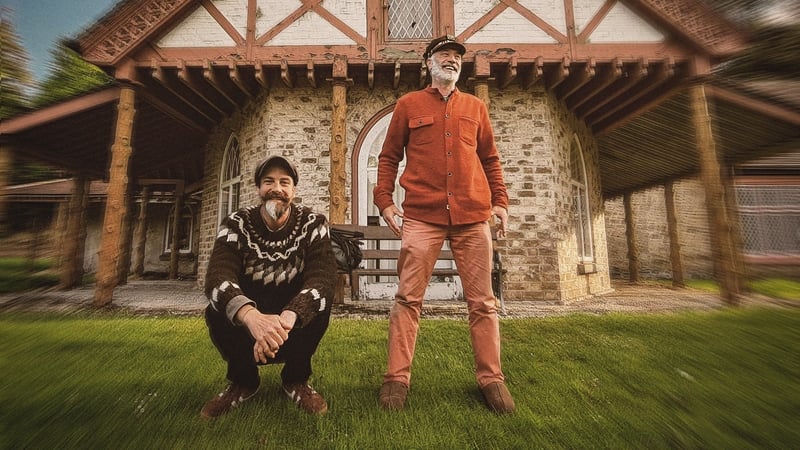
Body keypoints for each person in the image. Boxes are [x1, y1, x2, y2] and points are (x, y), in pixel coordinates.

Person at [373, 35, 515, 414]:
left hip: (473, 218)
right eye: (444, 55)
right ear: (428, 63)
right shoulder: (408, 105)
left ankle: (491, 379)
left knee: (483, 303)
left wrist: (500, 202)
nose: (451, 60)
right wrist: (385, 202)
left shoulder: (476, 107)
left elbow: (491, 160)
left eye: (456, 57)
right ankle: (396, 379)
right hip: (421, 217)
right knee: (407, 299)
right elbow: (387, 158)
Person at [201, 155, 337, 418]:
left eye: (284, 182)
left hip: (291, 319)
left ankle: (296, 380)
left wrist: (287, 318)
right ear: (258, 189)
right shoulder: (235, 224)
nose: (277, 188)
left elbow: (323, 277)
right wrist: (251, 317)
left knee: (320, 302)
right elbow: (217, 277)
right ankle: (243, 382)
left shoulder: (314, 224)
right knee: (217, 306)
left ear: (293, 190)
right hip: (249, 319)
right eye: (269, 181)